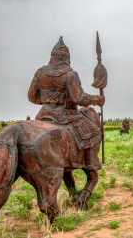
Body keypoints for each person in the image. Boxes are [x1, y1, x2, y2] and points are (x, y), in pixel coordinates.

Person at [28, 36, 105, 170]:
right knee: (94, 131)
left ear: (52, 56)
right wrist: (97, 100)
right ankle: (91, 163)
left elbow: (32, 97)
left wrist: (48, 101)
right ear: (66, 58)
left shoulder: (40, 72)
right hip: (65, 116)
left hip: (43, 115)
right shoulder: (70, 74)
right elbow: (79, 99)